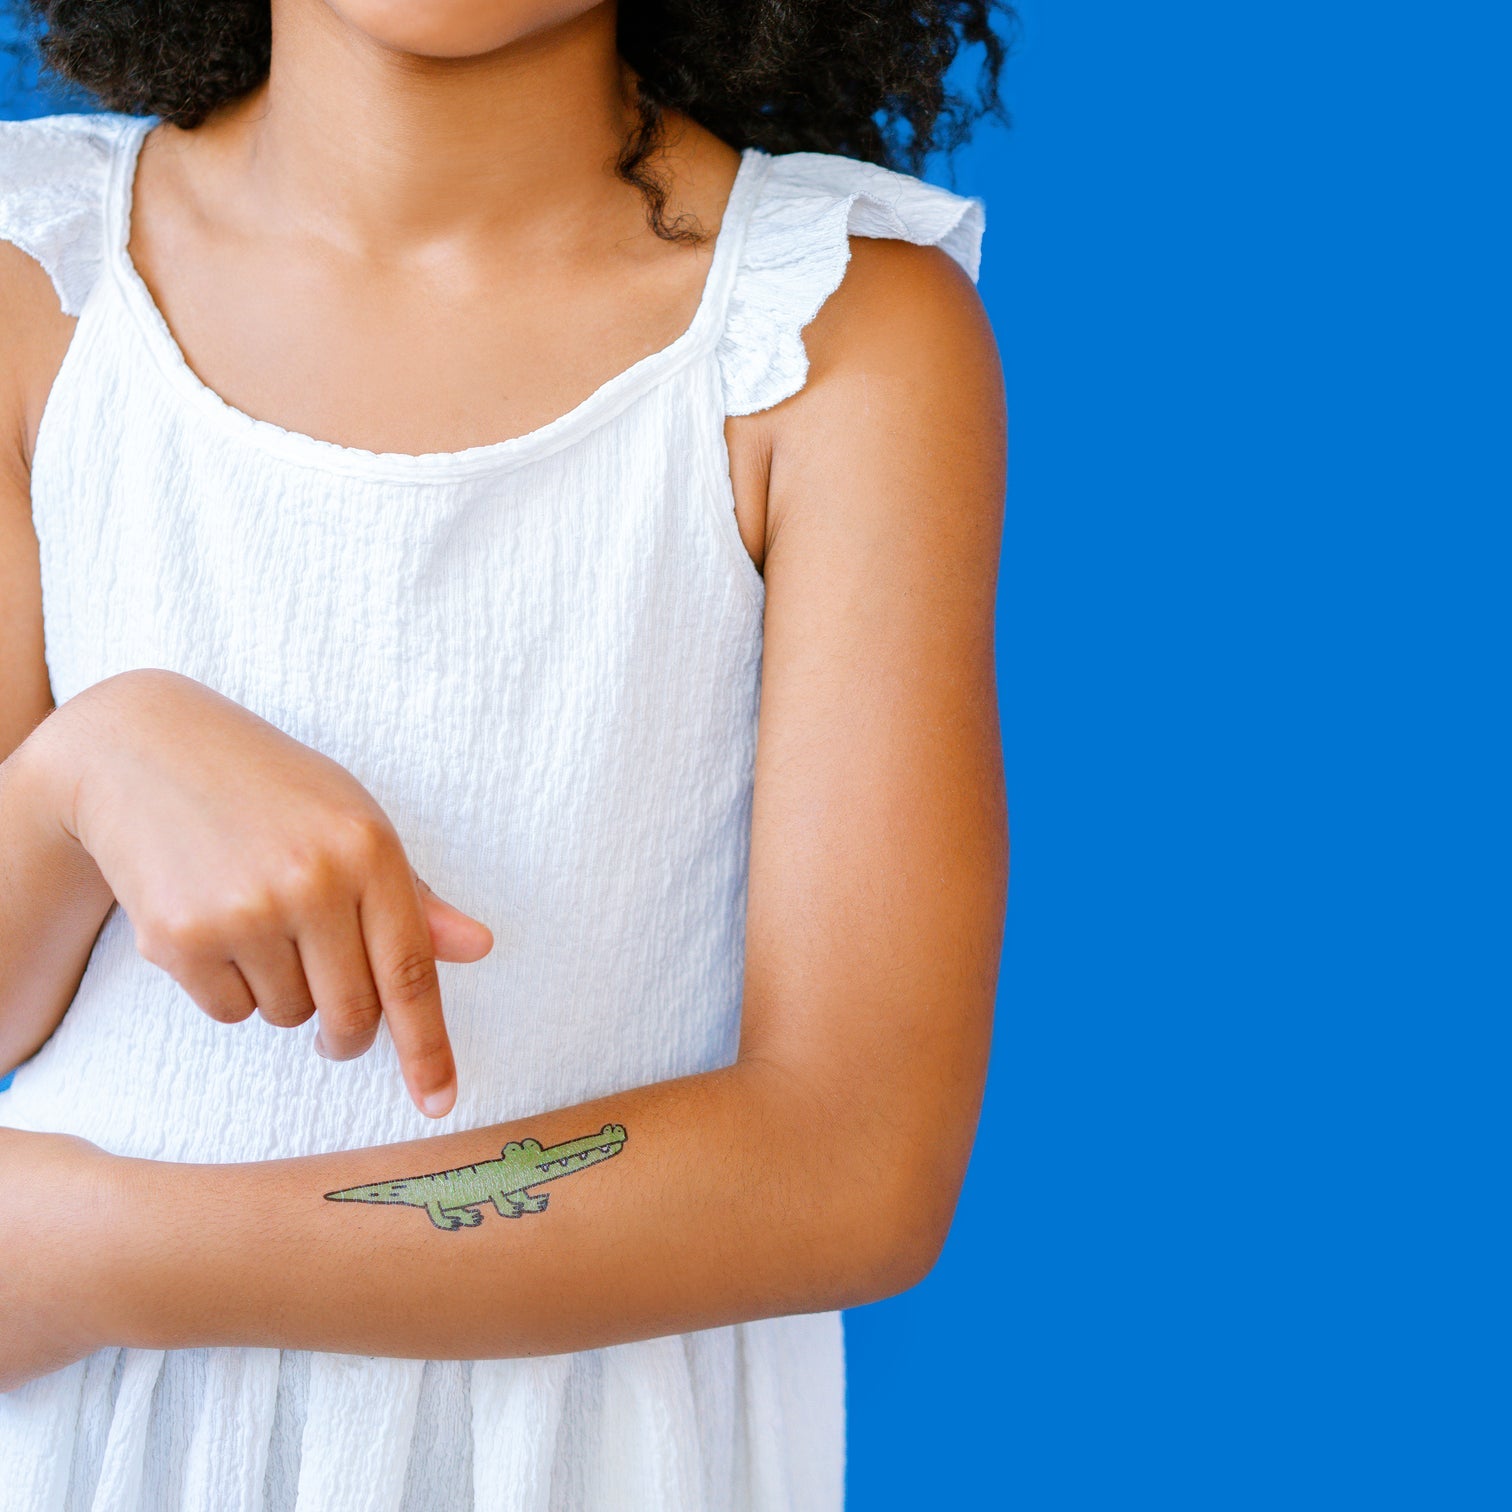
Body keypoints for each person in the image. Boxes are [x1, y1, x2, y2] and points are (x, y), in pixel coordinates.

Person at [0, 1, 1011, 1506]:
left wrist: (92, 1256)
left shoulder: (830, 337)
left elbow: (848, 1166)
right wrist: (83, 775)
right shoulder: (41, 283)